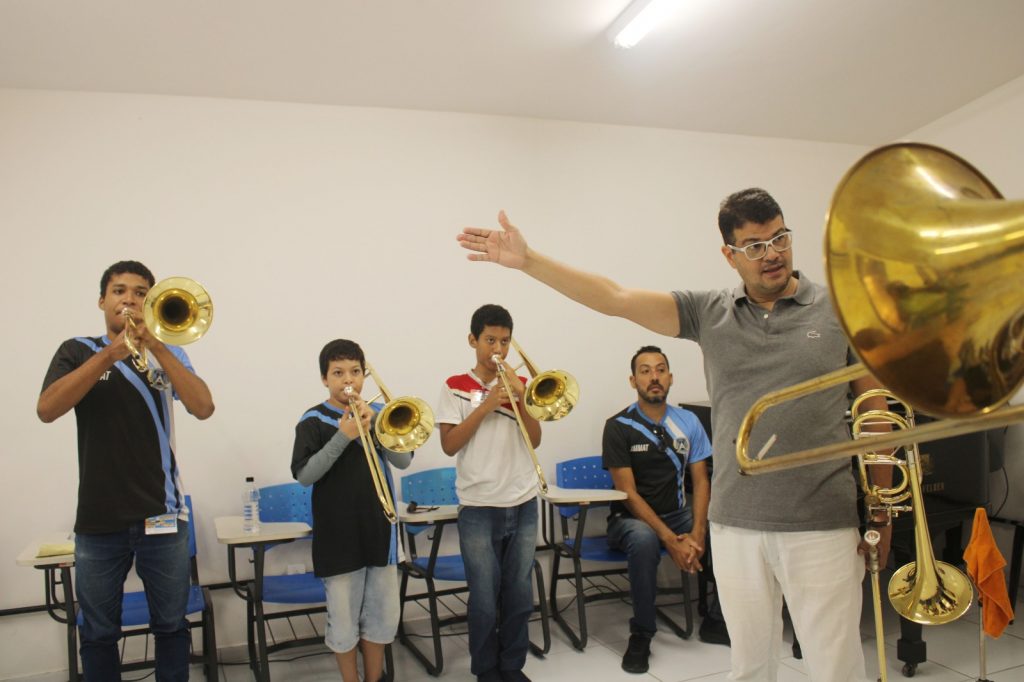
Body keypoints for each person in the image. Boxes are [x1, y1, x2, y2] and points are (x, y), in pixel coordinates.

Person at [457, 191, 893, 681]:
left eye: (780, 239)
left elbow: (876, 414)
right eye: (754, 246)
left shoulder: (842, 309)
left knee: (835, 668)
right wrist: (529, 261)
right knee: (750, 667)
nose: (771, 254)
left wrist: (881, 512)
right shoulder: (710, 312)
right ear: (729, 254)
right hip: (736, 526)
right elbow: (615, 298)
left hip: (822, 523)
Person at [37, 260, 215, 681]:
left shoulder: (168, 353)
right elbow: (47, 409)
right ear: (103, 300)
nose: (130, 300)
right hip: (99, 521)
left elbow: (203, 407)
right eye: (119, 291)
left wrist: (158, 346)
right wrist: (110, 354)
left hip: (162, 515)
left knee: (171, 626)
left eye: (140, 293)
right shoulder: (77, 350)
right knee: (98, 633)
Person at [291, 339, 413, 682]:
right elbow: (305, 475)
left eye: (356, 372)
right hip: (337, 536)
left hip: (381, 530)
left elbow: (403, 461)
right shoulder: (313, 420)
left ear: (364, 375)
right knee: (343, 622)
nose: (349, 380)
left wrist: (378, 428)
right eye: (338, 373)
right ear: (324, 378)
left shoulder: (379, 413)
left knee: (381, 618)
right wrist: (343, 435)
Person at [604, 345, 729, 674]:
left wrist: (697, 531)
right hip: (629, 520)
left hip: (678, 515)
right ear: (633, 381)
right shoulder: (618, 425)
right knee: (644, 539)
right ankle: (642, 634)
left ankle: (716, 620)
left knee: (724, 526)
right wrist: (672, 539)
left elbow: (701, 480)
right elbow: (627, 493)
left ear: (670, 378)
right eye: (645, 371)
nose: (654, 377)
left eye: (660, 370)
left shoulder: (688, 421)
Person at [436, 304, 541, 682]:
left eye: (505, 341)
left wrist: (520, 397)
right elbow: (449, 445)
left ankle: (512, 666)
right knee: (483, 598)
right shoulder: (454, 386)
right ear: (473, 340)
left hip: (523, 500)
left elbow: (535, 439)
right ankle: (485, 670)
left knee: (519, 593)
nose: (498, 349)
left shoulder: (522, 382)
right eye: (490, 340)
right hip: (478, 505)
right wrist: (487, 405)